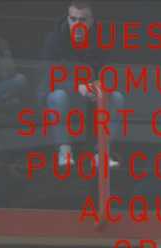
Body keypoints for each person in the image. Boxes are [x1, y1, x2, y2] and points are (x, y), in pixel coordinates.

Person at [38, 3, 124, 168]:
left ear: (91, 21)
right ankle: (64, 152)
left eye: (82, 20)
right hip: (62, 90)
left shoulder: (103, 39)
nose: (77, 24)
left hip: (92, 92)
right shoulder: (54, 39)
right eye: (73, 19)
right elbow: (49, 75)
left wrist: (99, 87)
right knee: (58, 97)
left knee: (117, 98)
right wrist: (76, 87)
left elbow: (111, 72)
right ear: (67, 19)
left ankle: (102, 153)